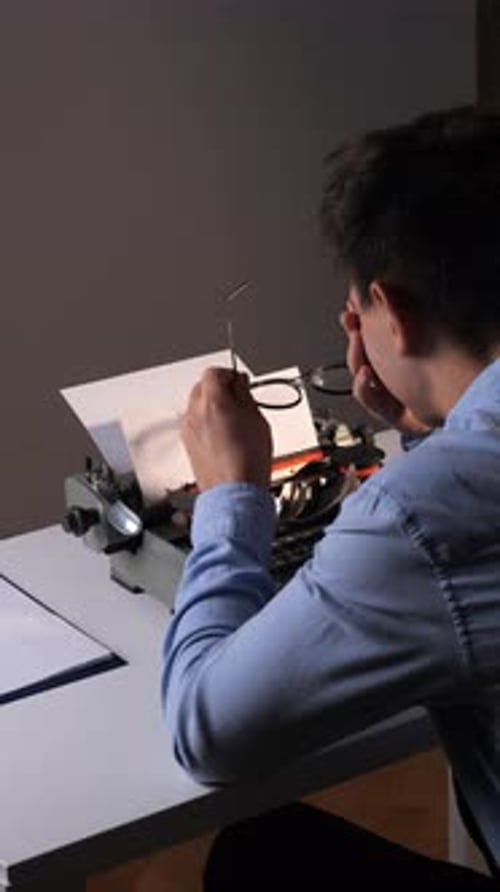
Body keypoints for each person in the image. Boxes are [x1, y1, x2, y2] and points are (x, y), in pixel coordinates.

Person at [162, 106, 500, 888]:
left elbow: (206, 729)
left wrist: (231, 493)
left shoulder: (424, 516)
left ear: (394, 313)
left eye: (359, 309)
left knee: (260, 854)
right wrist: (426, 427)